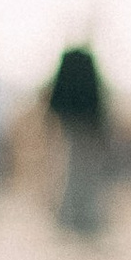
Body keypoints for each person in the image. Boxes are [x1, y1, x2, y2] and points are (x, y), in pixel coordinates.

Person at [44, 40, 110, 239]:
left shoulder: (72, 59)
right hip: (81, 126)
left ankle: (76, 220)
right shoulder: (83, 61)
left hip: (74, 125)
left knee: (75, 171)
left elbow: (57, 95)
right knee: (79, 172)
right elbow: (95, 98)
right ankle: (76, 220)